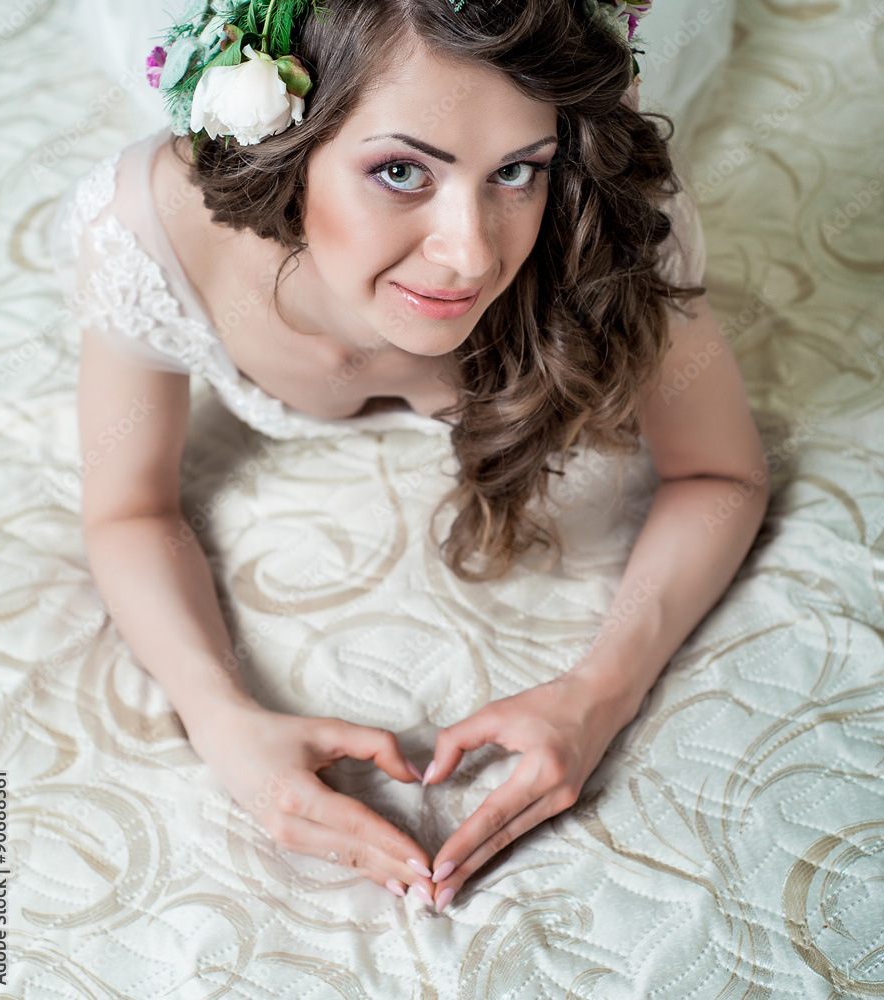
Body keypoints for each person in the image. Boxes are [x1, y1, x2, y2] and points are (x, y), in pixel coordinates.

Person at [51, 0, 769, 916]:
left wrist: (600, 692)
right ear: (287, 144)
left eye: (516, 170)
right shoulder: (148, 233)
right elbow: (127, 508)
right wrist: (223, 719)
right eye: (400, 171)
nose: (470, 254)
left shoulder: (608, 229)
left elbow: (722, 472)